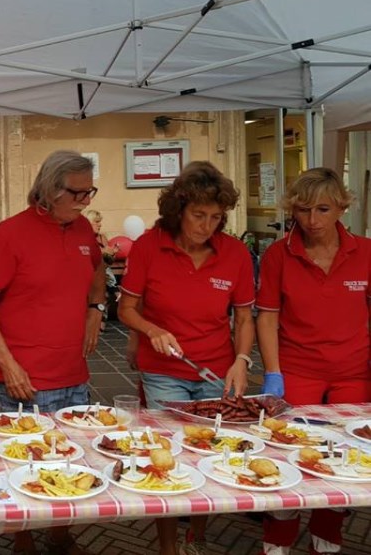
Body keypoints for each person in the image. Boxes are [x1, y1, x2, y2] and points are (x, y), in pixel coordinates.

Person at [117, 161, 255, 555]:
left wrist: (241, 361)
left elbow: (244, 317)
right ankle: (167, 546)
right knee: (167, 454)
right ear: (179, 209)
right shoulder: (148, 246)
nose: (206, 225)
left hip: (216, 370)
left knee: (207, 452)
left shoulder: (235, 254)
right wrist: (152, 331)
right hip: (163, 371)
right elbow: (127, 309)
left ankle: (197, 533)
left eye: (215, 217)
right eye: (198, 215)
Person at [0, 150, 105, 555]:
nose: (85, 201)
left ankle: (62, 536)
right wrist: (9, 365)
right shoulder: (12, 232)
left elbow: (98, 269)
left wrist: (95, 310)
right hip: (25, 378)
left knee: (71, 461)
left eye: (89, 192)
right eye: (77, 193)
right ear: (49, 189)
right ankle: (24, 541)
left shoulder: (83, 229)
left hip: (73, 373)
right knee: (26, 464)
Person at [256, 168, 371, 555]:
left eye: (323, 209)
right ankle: (277, 540)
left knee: (346, 456)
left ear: (342, 207)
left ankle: (328, 535)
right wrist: (273, 372)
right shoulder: (279, 254)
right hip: (297, 369)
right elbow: (268, 315)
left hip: (352, 371)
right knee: (289, 451)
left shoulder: (366, 252)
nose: (313, 220)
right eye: (303, 210)